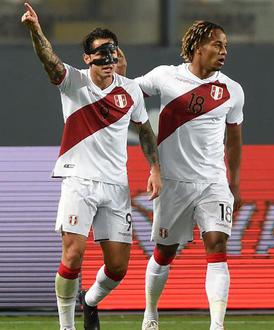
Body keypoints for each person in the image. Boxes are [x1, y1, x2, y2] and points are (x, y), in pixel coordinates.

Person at [20, 3, 161, 330]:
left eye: (114, 51)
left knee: (118, 268)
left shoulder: (130, 92)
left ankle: (90, 300)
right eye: (103, 52)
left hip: (116, 186)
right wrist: (35, 29)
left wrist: (155, 169)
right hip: (78, 180)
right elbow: (50, 63)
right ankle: (67, 326)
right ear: (88, 57)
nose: (110, 58)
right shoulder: (75, 83)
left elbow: (145, 131)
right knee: (73, 254)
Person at [125, 21, 244, 330]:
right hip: (173, 183)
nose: (223, 52)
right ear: (197, 46)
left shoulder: (232, 90)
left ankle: (217, 325)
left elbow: (234, 139)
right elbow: (126, 95)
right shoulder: (165, 76)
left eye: (226, 46)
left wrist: (234, 183)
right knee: (164, 253)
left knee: (217, 244)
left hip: (213, 182)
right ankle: (150, 313)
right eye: (217, 44)